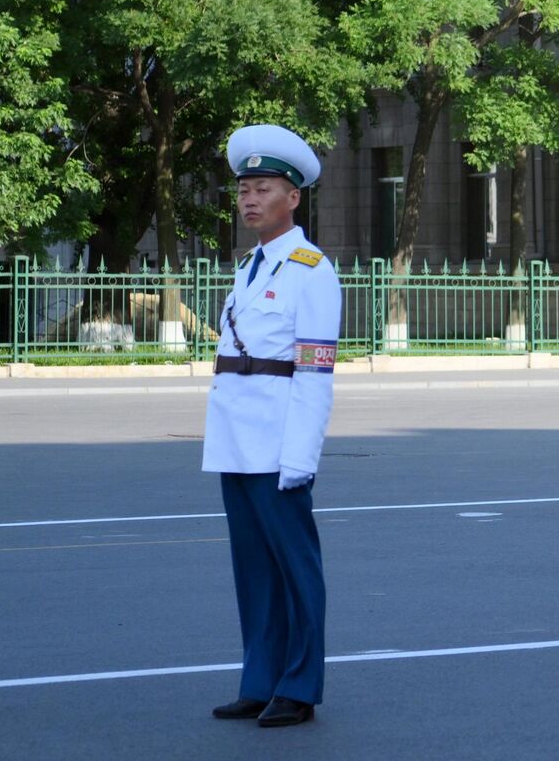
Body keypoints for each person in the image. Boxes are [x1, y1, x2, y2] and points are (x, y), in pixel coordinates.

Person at [205, 125, 342, 728]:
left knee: (294, 569)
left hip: (279, 446)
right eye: (244, 191)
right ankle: (259, 680)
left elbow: (314, 374)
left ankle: (300, 685)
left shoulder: (311, 270)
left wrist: (301, 457)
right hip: (237, 441)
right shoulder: (250, 267)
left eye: (263, 188)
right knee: (253, 573)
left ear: (294, 198)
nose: (250, 200)